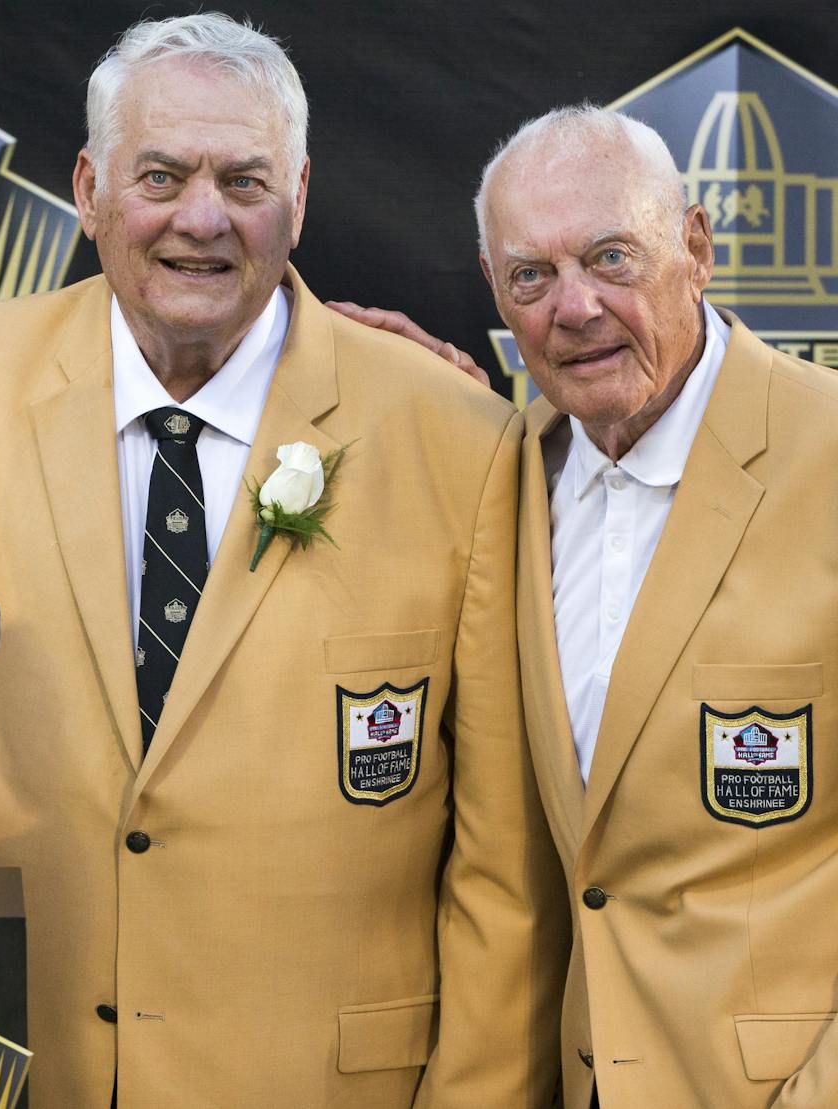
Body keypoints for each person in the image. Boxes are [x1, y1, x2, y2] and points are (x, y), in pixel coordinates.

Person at [0, 13, 565, 1107]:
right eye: (160, 175)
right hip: (8, 1069)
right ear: (87, 189)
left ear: (298, 199)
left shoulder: (455, 437)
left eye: (243, 182)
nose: (201, 219)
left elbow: (502, 868)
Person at [340, 103, 838, 1107]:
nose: (571, 308)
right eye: (530, 274)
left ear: (692, 247)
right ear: (494, 290)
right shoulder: (504, 473)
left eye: (611, 257)